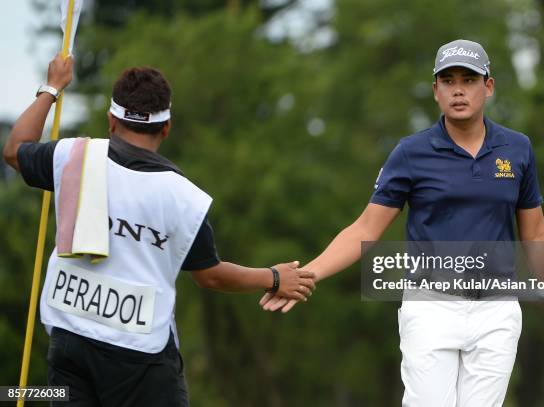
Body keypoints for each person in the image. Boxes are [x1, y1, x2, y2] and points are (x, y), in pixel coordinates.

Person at [260, 39, 544, 406]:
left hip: (496, 309)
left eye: (469, 79)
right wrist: (309, 274)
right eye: (448, 80)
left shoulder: (517, 149)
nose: (458, 89)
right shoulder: (411, 153)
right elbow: (366, 228)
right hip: (430, 308)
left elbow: (536, 234)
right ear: (435, 91)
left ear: (488, 86)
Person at [3, 54, 315, 406]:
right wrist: (273, 278)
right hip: (141, 355)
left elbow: (15, 150)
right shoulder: (184, 197)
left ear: (111, 120)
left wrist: (53, 88)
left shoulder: (72, 156)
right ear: (166, 128)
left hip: (69, 338)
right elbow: (209, 276)